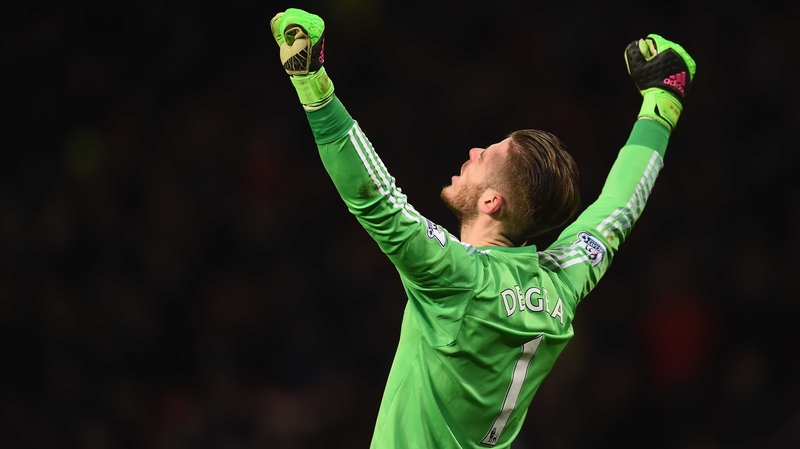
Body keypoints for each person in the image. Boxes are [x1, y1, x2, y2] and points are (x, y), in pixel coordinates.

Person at [270, 8, 696, 448]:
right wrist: (662, 104)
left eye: (486, 155)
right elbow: (618, 207)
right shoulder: (560, 285)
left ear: (492, 202)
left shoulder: (456, 277)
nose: (473, 150)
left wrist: (313, 83)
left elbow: (375, 196)